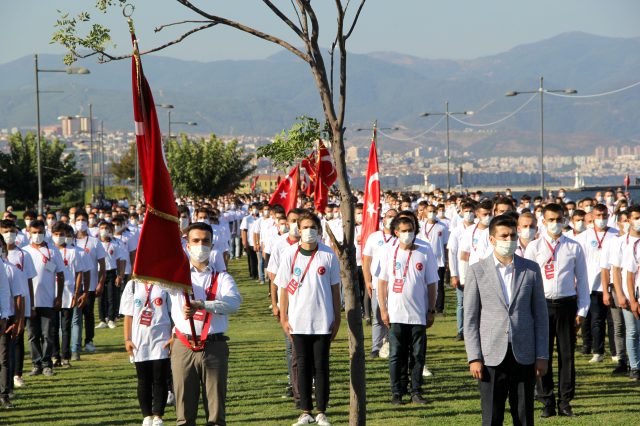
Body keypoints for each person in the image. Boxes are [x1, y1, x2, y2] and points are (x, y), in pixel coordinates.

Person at [464, 215, 549, 426]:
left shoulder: (530, 269)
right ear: (492, 239)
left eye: (513, 235)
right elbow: (471, 319)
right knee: (492, 416)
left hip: (524, 352)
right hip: (491, 354)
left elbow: (540, 316)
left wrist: (542, 355)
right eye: (504, 236)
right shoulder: (477, 270)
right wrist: (474, 357)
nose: (509, 240)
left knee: (524, 414)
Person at [171, 222, 242, 426]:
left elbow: (234, 303)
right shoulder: (177, 277)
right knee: (184, 412)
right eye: (195, 241)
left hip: (214, 346)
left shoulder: (222, 277)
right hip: (183, 345)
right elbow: (156, 278)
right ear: (187, 244)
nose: (200, 245)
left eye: (205, 241)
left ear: (212, 246)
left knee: (216, 411)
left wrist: (203, 305)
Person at [524, 203, 590, 417]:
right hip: (541, 305)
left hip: (567, 305)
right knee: (543, 354)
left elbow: (582, 280)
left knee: (567, 355)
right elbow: (527, 283)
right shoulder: (533, 248)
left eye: (558, 219)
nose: (555, 224)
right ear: (543, 222)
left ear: (565, 220)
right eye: (550, 220)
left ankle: (565, 401)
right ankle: (546, 401)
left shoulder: (574, 246)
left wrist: (582, 310)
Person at [276, 211, 341, 426]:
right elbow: (283, 289)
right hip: (298, 321)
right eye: (304, 227)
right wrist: (284, 316)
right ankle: (305, 411)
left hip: (323, 320)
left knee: (321, 366)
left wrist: (337, 317)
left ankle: (322, 411)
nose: (308, 231)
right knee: (302, 366)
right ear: (298, 230)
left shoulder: (328, 255)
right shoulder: (289, 254)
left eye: (312, 227)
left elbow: (334, 290)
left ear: (319, 230)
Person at [377, 216, 438, 405]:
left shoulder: (425, 250)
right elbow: (382, 283)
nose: (407, 234)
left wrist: (431, 309)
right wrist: (383, 309)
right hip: (395, 313)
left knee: (418, 355)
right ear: (396, 232)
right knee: (396, 354)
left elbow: (432, 284)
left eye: (410, 230)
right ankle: (397, 392)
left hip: (418, 313)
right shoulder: (388, 250)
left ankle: (416, 391)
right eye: (403, 231)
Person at [121, 277, 173, 426]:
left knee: (160, 378)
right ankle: (147, 416)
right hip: (139, 339)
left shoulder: (164, 284)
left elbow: (172, 312)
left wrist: (173, 335)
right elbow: (128, 315)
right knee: (143, 379)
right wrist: (127, 339)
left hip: (161, 337)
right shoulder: (132, 285)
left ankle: (158, 416)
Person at [267, 209, 302, 403]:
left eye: (300, 221)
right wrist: (275, 303)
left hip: (307, 303)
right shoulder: (280, 245)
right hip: (286, 302)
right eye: (293, 221)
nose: (296, 225)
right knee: (291, 346)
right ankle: (294, 381)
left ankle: (309, 381)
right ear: (287, 223)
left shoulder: (313, 245)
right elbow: (273, 277)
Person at [576, 204, 618, 363]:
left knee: (613, 322)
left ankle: (616, 353)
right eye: (598, 216)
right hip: (592, 285)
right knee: (596, 321)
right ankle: (598, 352)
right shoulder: (583, 237)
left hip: (612, 285)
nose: (601, 219)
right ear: (592, 217)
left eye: (604, 216)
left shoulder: (615, 234)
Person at [23, 220, 65, 377]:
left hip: (47, 300)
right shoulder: (25, 252)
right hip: (30, 301)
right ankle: (36, 364)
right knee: (32, 335)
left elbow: (60, 274)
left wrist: (58, 296)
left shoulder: (52, 251)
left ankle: (47, 364)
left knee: (48, 334)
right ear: (28, 232)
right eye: (34, 232)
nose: (37, 235)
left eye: (40, 232)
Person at [362, 209, 398, 357]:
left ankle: (391, 343)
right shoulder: (374, 237)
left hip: (395, 285)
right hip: (377, 283)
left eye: (394, 217)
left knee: (394, 316)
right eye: (389, 216)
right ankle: (375, 347)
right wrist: (367, 280)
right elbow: (366, 260)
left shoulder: (399, 238)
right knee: (377, 316)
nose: (391, 219)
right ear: (383, 219)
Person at [73, 212, 106, 357]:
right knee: (74, 317)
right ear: (74, 222)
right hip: (73, 287)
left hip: (90, 285)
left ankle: (89, 341)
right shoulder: (70, 241)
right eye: (78, 220)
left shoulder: (94, 241)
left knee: (88, 315)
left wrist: (100, 283)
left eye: (83, 220)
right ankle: (75, 343)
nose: (81, 222)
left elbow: (102, 264)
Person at [449, 201, 476, 341]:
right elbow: (452, 253)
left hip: (477, 272)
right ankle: (461, 331)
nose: (469, 213)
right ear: (461, 211)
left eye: (471, 210)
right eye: (466, 210)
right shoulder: (457, 230)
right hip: (462, 271)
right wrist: (454, 274)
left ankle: (474, 330)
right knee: (462, 303)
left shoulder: (480, 228)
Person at [418, 204, 448, 314]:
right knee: (425, 284)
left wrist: (446, 260)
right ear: (425, 212)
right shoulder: (421, 226)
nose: (432, 213)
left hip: (439, 260)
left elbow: (445, 245)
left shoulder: (442, 226)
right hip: (425, 260)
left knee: (439, 285)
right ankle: (426, 305)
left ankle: (439, 308)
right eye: (429, 211)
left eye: (434, 211)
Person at [621, 206, 640, 380]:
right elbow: (628, 275)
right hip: (635, 294)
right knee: (633, 331)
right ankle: (635, 366)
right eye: (636, 218)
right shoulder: (632, 246)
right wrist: (632, 299)